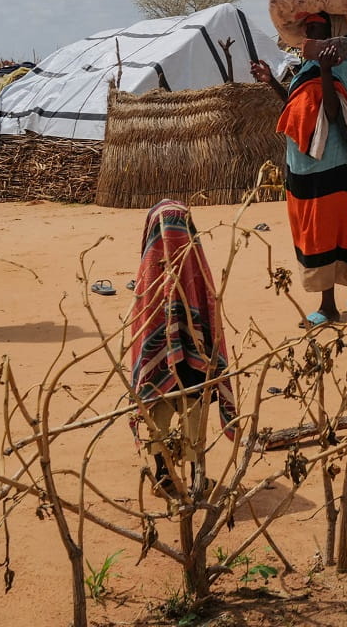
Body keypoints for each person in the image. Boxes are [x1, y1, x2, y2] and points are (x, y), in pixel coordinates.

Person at [250, 12, 347, 326]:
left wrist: (327, 71)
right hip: (301, 163)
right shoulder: (308, 65)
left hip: (328, 164)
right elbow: (297, 105)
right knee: (309, 230)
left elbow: (331, 113)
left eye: (317, 28)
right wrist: (271, 81)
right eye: (308, 28)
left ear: (334, 30)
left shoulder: (338, 62)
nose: (309, 33)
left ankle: (328, 306)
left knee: (322, 232)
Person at [127, 200, 239, 498]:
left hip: (158, 370)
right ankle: (195, 478)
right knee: (193, 413)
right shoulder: (197, 269)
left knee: (157, 413)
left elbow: (141, 332)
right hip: (194, 365)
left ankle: (164, 476)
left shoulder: (146, 277)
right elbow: (209, 315)